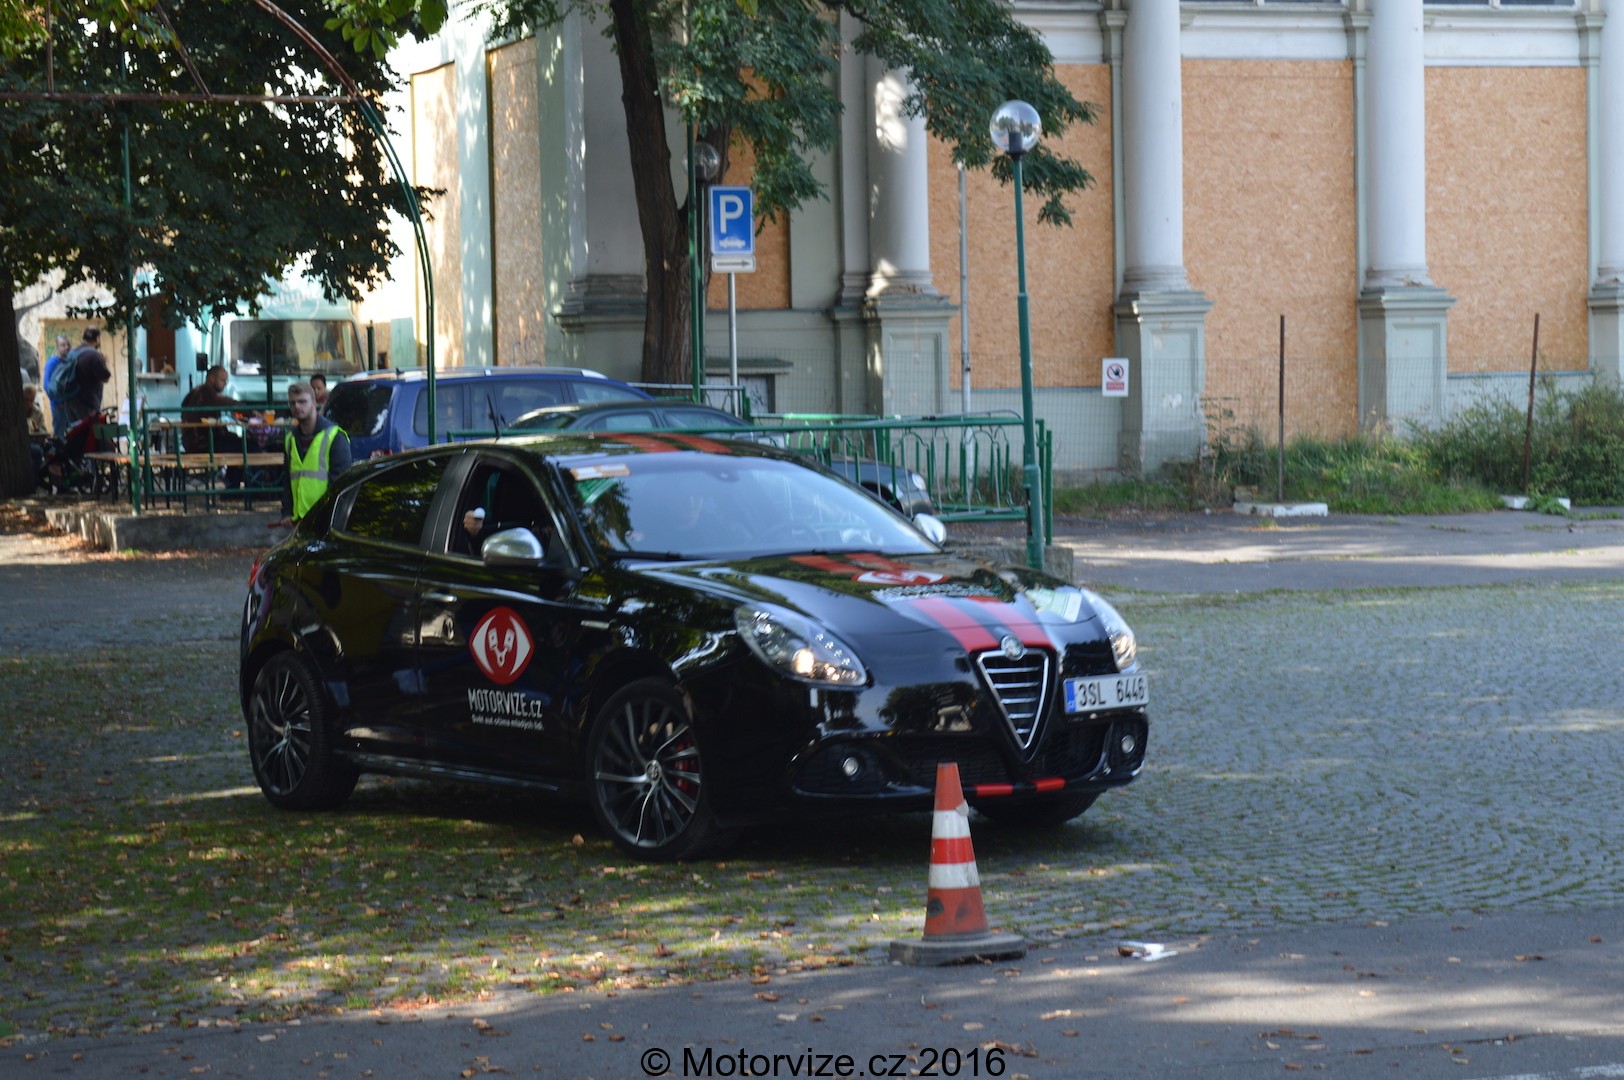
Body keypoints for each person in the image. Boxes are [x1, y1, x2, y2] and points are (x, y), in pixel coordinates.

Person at [276, 380, 351, 527]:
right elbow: (287, 480)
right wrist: (286, 512)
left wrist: (327, 515)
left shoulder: (335, 436)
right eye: (292, 403)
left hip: (328, 519)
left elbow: (341, 484)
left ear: (314, 402)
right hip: (300, 521)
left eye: (302, 401)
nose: (297, 406)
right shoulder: (290, 439)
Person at [179, 365, 243, 454]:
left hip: (193, 442)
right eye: (222, 380)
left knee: (238, 441)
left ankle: (236, 468)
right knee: (249, 445)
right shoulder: (205, 392)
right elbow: (226, 402)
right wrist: (250, 411)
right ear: (212, 378)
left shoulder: (195, 391)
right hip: (203, 443)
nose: (225, 383)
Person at [62, 327, 111, 426]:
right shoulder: (94, 356)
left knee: (75, 434)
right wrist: (105, 363)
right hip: (87, 403)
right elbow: (105, 377)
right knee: (89, 435)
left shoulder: (71, 353)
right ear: (97, 339)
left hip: (69, 401)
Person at [42, 334, 71, 437]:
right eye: (63, 345)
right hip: (59, 406)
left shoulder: (69, 362)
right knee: (60, 435)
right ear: (58, 347)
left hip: (70, 405)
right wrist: (57, 401)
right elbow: (46, 385)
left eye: (68, 344)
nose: (66, 347)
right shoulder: (52, 363)